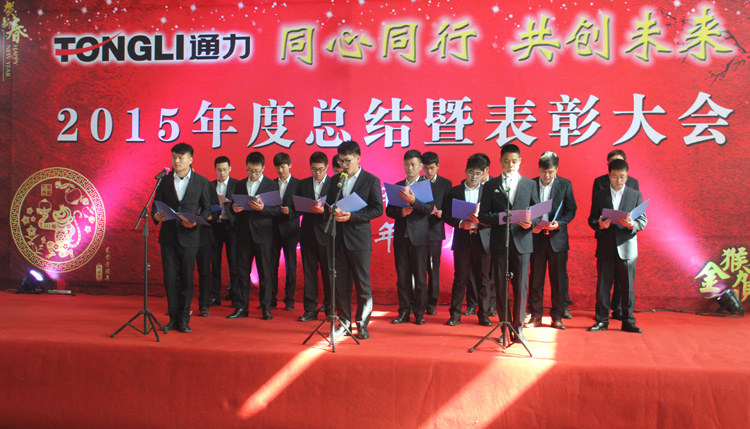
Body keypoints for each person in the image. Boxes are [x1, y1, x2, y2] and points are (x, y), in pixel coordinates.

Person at [315, 141, 383, 340]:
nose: (344, 165)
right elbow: (328, 203)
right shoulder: (335, 180)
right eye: (341, 161)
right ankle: (344, 323)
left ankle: (362, 324)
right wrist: (324, 208)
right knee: (340, 284)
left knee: (362, 284)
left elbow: (378, 209)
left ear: (358, 158)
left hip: (359, 240)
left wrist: (352, 216)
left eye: (347, 161)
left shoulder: (371, 180)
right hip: (336, 238)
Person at [475, 143, 538, 343]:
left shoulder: (529, 184)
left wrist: (532, 222)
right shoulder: (490, 186)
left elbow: (538, 212)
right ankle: (504, 328)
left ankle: (518, 329)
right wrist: (502, 217)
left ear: (520, 162)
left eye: (514, 161)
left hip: (522, 242)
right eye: (506, 161)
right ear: (500, 161)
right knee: (501, 287)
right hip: (500, 242)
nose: (510, 165)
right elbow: (483, 216)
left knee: (521, 286)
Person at [152, 142, 211, 333]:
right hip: (168, 237)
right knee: (169, 279)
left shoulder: (201, 182)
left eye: (180, 158)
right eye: (174, 157)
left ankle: (184, 318)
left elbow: (207, 209)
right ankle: (172, 318)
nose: (176, 161)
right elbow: (156, 205)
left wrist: (196, 222)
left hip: (190, 237)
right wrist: (156, 216)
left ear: (190, 160)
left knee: (186, 278)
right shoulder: (164, 180)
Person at [588, 158, 647, 333]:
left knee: (627, 287)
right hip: (606, 245)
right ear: (609, 176)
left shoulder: (635, 195)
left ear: (627, 176)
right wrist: (599, 224)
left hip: (627, 246)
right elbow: (592, 219)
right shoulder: (600, 195)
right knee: (603, 286)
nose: (618, 180)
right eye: (615, 176)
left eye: (622, 177)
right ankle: (601, 320)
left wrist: (632, 225)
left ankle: (628, 321)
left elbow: (642, 220)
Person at [228, 152, 281, 321]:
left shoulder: (271, 185)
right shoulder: (239, 185)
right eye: (250, 170)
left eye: (256, 171)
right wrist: (233, 209)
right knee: (242, 273)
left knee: (265, 273)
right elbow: (232, 207)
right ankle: (241, 307)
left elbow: (277, 210)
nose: (253, 174)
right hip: (243, 234)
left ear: (263, 168)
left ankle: (266, 308)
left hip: (263, 235)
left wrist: (263, 209)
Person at [528, 151, 577, 330]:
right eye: (543, 172)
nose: (547, 176)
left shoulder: (565, 185)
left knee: (558, 280)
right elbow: (525, 209)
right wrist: (532, 224)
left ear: (556, 169)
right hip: (537, 238)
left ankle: (557, 316)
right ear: (539, 169)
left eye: (550, 172)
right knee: (536, 279)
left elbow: (571, 210)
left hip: (557, 239)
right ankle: (535, 315)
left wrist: (559, 224)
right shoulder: (531, 184)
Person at [386, 150, 435, 325]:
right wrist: (401, 212)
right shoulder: (398, 186)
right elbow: (389, 210)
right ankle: (404, 311)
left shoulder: (426, 185)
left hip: (420, 238)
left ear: (420, 166)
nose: (410, 167)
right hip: (401, 237)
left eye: (413, 164)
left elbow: (429, 209)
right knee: (403, 278)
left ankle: (419, 313)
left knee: (420, 278)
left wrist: (414, 201)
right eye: (407, 164)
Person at [443, 154, 492, 326]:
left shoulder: (488, 191)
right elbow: (446, 215)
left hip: (482, 240)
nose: (473, 177)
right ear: (465, 171)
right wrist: (459, 223)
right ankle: (455, 315)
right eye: (471, 172)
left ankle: (484, 315)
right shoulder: (455, 191)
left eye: (478, 173)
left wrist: (482, 221)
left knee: (484, 279)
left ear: (483, 174)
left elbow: (493, 216)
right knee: (460, 278)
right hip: (462, 240)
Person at [296, 152, 332, 322]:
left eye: (320, 169)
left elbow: (339, 208)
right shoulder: (303, 184)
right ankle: (310, 310)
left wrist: (324, 211)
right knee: (309, 274)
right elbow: (295, 208)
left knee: (328, 274)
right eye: (314, 169)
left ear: (327, 167)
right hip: (308, 234)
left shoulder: (334, 184)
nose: (317, 173)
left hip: (327, 234)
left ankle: (330, 309)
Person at [421, 151, 452, 316]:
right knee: (418, 268)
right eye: (426, 168)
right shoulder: (417, 182)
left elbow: (449, 208)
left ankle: (432, 303)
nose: (429, 171)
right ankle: (418, 301)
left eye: (432, 168)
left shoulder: (446, 184)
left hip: (435, 231)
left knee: (433, 268)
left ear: (438, 166)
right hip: (417, 230)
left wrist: (442, 213)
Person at [270, 152, 301, 311]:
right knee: (271, 266)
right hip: (273, 230)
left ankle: (290, 299)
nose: (280, 170)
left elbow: (303, 207)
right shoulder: (271, 184)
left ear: (290, 165)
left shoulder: (298, 184)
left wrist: (290, 212)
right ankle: (271, 298)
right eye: (277, 167)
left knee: (291, 267)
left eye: (283, 167)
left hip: (291, 229)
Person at [209, 156, 240, 309]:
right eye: (219, 170)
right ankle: (215, 296)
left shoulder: (237, 185)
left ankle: (235, 295)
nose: (222, 173)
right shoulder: (210, 185)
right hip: (215, 226)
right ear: (215, 170)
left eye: (224, 169)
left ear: (230, 169)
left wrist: (231, 206)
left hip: (231, 227)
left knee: (234, 263)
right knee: (214, 263)